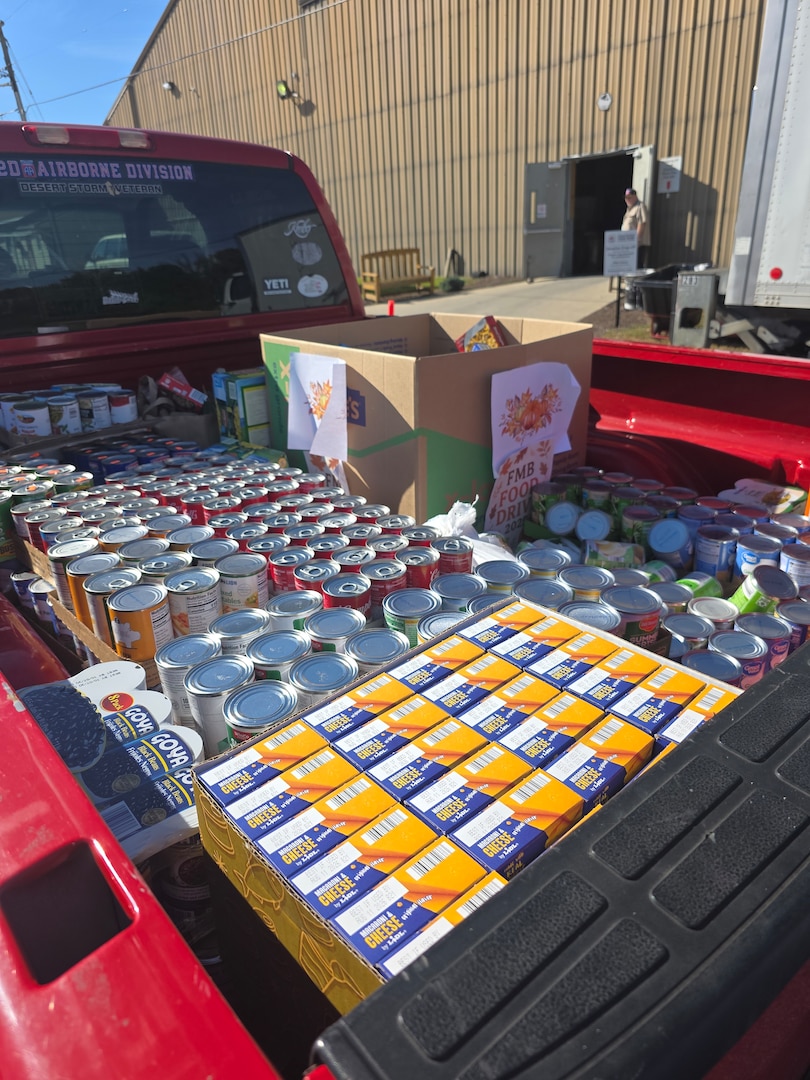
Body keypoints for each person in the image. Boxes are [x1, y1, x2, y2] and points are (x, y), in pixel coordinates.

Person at [621, 188, 650, 309]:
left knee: (637, 271)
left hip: (637, 245)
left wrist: (636, 241)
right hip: (628, 246)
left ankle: (637, 298)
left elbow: (642, 224)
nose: (627, 200)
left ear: (635, 196)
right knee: (630, 271)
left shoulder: (640, 206)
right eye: (626, 198)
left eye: (629, 197)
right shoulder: (629, 209)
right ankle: (631, 296)